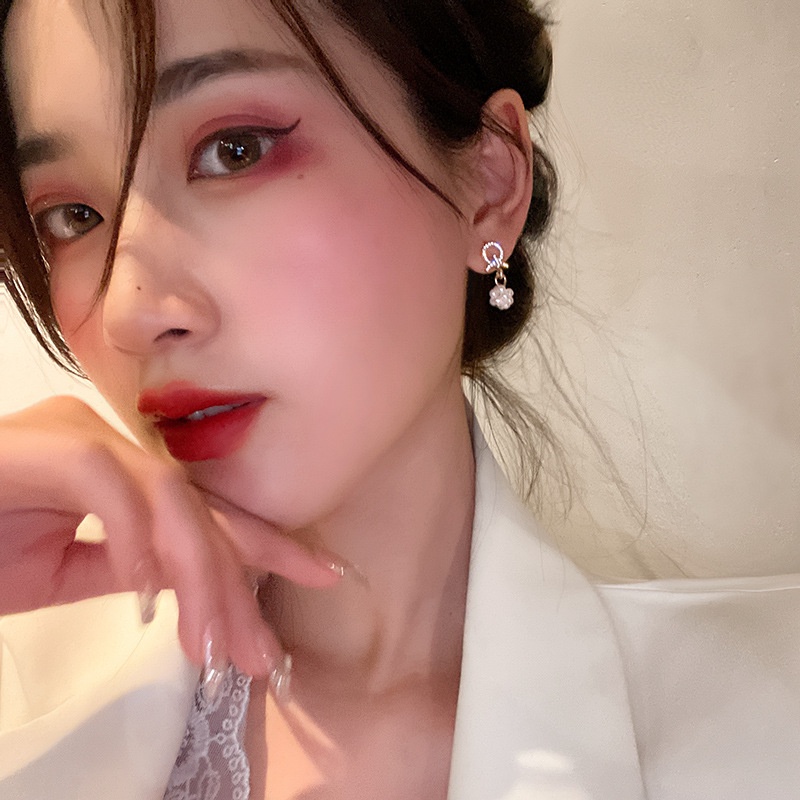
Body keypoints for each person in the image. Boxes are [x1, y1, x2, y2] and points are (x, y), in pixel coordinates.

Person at [0, 1, 798, 798]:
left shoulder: (766, 729)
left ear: (490, 182)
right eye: (74, 216)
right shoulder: (22, 699)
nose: (130, 311)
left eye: (234, 150)